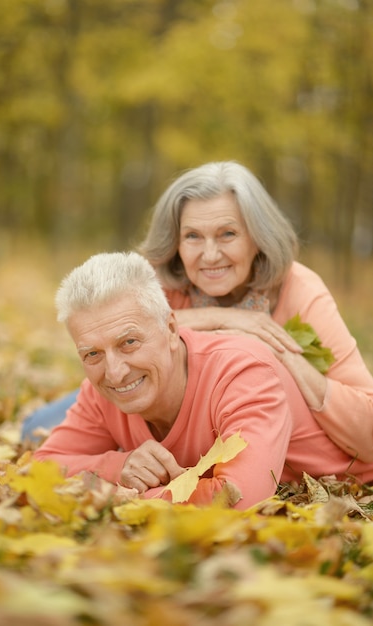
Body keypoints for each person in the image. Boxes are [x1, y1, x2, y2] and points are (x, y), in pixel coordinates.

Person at [23, 161, 373, 464]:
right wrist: (224, 319)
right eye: (192, 236)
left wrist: (284, 356)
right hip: (143, 394)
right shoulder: (161, 281)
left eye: (227, 234)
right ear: (175, 242)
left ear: (257, 237)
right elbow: (103, 341)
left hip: (246, 424)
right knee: (35, 430)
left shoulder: (300, 290)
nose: (209, 255)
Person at [33, 251, 373, 509]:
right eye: (91, 354)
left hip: (353, 486)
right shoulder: (102, 387)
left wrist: (117, 494)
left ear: (169, 329)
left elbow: (235, 498)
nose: (115, 371)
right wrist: (118, 465)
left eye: (129, 343)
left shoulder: (243, 373)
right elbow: (40, 468)